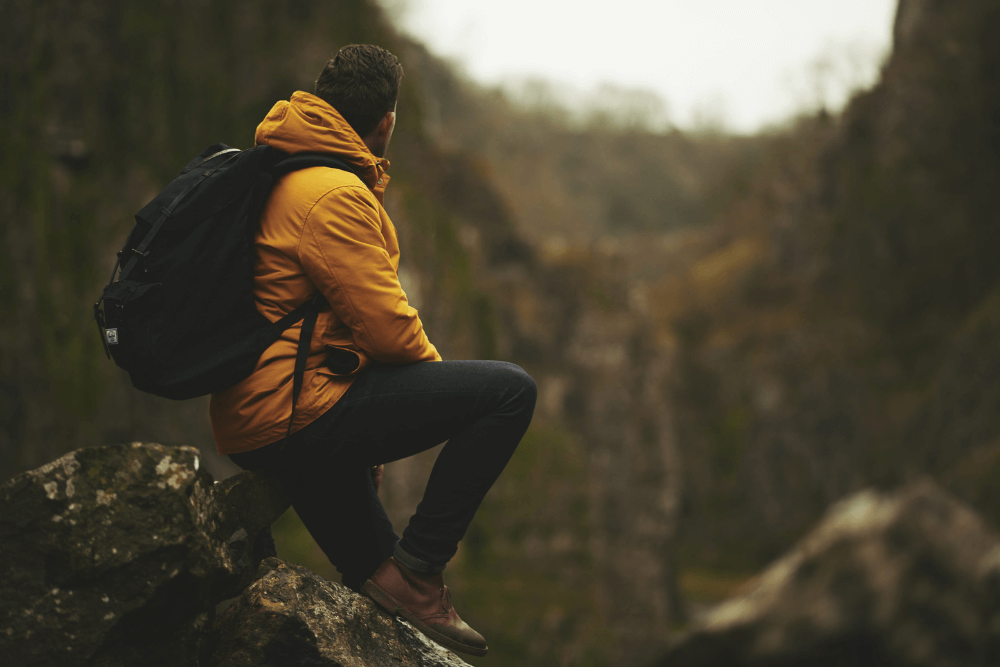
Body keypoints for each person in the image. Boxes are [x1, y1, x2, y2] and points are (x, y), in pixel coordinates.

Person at [209, 44, 536, 657]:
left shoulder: (280, 170)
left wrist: (369, 419)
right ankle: (425, 567)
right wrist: (421, 406)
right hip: (291, 414)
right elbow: (388, 329)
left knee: (383, 594)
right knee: (509, 391)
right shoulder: (332, 193)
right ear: (385, 122)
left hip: (263, 417)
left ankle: (406, 585)